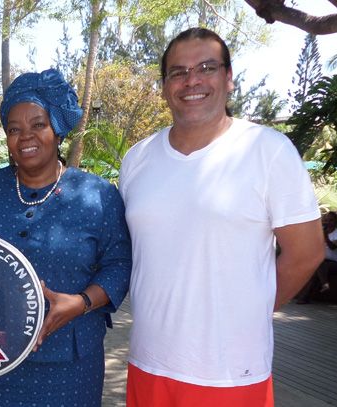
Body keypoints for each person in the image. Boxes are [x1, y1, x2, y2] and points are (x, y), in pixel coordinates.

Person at [119, 28, 325, 407]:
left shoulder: (267, 150)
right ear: (165, 86)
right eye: (178, 72)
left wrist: (249, 309)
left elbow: (308, 251)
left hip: (229, 372)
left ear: (228, 78)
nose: (191, 80)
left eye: (206, 67)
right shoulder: (137, 159)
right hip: (149, 362)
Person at [0, 68, 132, 406]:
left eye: (38, 124)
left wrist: (80, 302)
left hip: (70, 364)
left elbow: (119, 264)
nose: (26, 137)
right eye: (14, 129)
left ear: (57, 128)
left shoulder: (97, 195)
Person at [297, 211, 337, 303]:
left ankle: (322, 285)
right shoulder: (319, 232)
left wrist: (325, 237)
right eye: (326, 220)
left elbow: (333, 247)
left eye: (331, 220)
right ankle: (305, 297)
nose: (328, 222)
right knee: (317, 267)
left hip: (335, 264)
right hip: (321, 262)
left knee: (320, 265)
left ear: (336, 222)